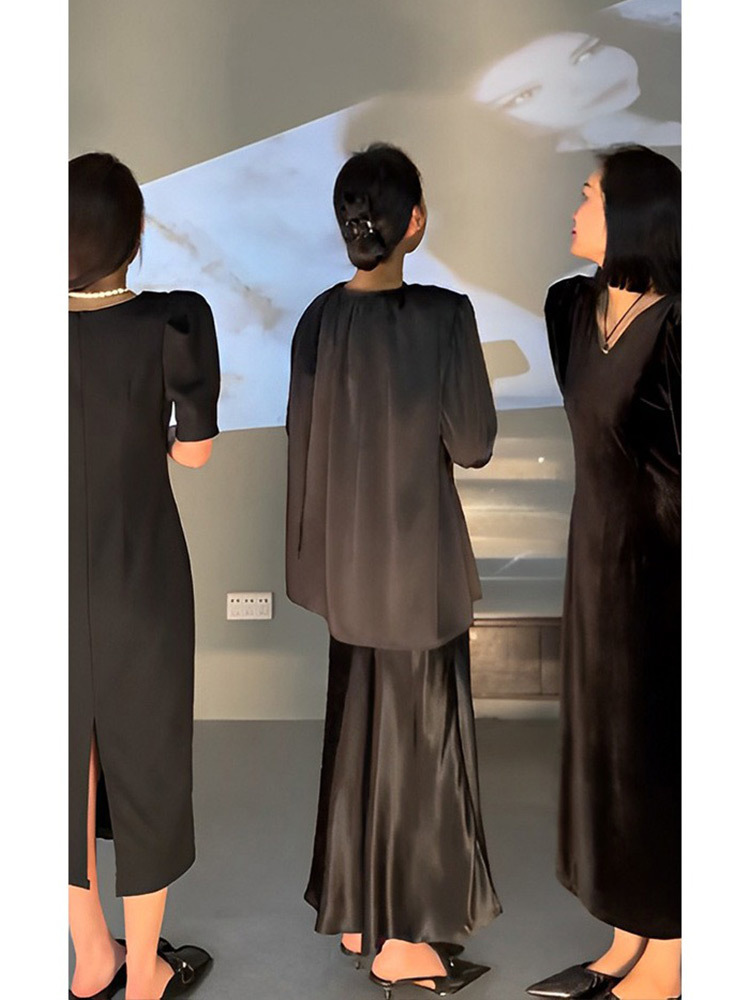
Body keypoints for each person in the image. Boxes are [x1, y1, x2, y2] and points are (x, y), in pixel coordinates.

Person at [286, 143, 501, 997]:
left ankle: (353, 913)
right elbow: (473, 444)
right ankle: (403, 944)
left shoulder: (316, 320)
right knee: (419, 752)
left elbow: (306, 450)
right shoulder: (445, 317)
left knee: (357, 740)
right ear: (415, 221)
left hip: (347, 574)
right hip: (418, 572)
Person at [526, 145, 681, 1000]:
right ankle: (628, 932)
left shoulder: (682, 326)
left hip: (663, 571)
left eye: (590, 195)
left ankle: (672, 950)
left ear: (632, 214)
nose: (577, 207)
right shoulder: (569, 310)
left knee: (657, 751)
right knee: (605, 747)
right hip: (594, 557)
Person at [69, 152, 220, 1000]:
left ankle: (92, 957)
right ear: (135, 235)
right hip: (140, 573)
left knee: (61, 766)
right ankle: (145, 972)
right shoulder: (174, 321)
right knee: (148, 762)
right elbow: (194, 454)